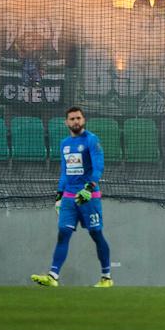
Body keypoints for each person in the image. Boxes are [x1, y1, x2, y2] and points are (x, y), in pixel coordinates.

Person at [31, 106, 112, 288]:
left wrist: (89, 188)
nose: (76, 121)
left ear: (83, 120)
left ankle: (106, 277)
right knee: (63, 233)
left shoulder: (91, 140)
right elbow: (64, 172)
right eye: (72, 119)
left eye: (78, 118)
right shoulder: (64, 143)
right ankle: (53, 276)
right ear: (66, 122)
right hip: (69, 198)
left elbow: (99, 166)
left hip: (88, 196)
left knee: (96, 233)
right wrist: (59, 195)